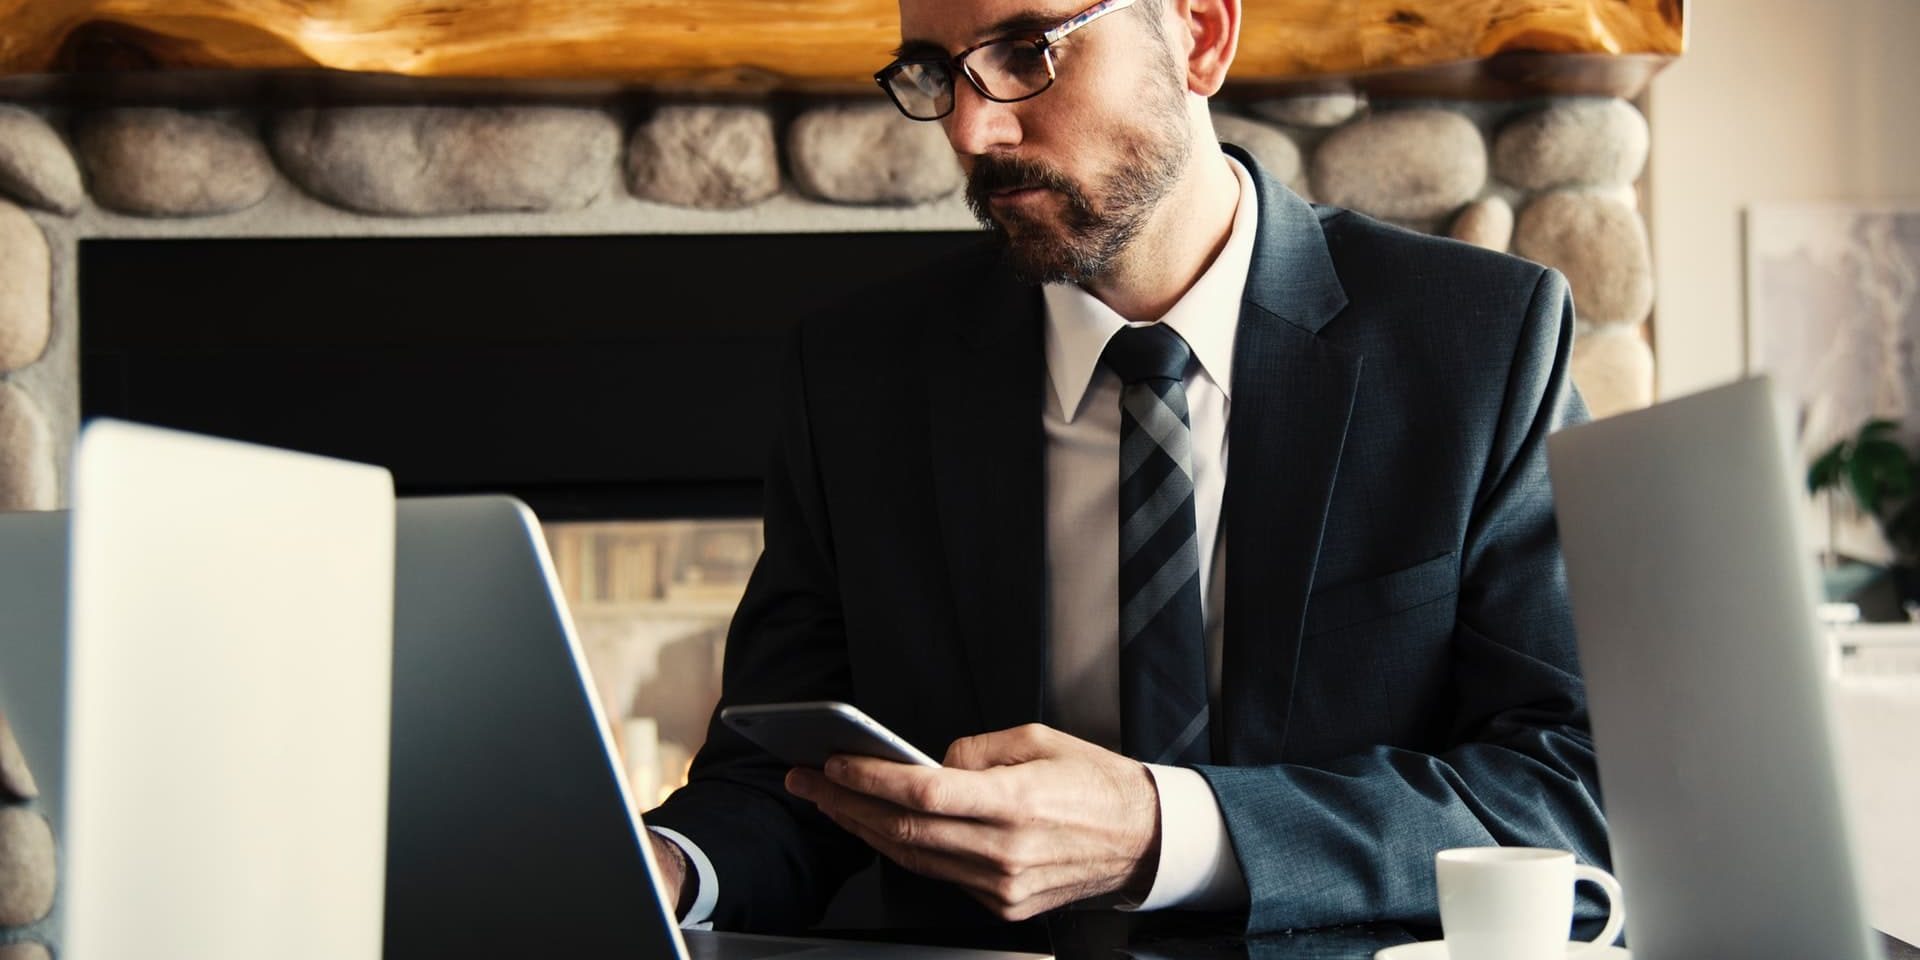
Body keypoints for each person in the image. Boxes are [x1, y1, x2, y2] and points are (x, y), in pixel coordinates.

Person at [644, 0, 1607, 941]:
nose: (973, 128)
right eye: (935, 72)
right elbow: (784, 777)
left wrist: (1165, 833)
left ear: (1201, 36)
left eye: (1026, 50)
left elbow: (1569, 787)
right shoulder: (857, 378)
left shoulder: (1479, 344)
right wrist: (669, 867)